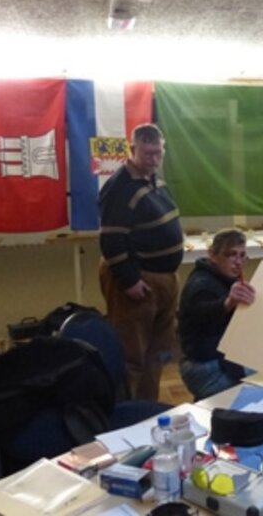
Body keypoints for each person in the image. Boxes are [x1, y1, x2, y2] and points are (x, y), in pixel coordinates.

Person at [98, 123, 184, 400]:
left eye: (159, 153)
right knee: (132, 356)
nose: (154, 159)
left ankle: (147, 409)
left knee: (158, 354)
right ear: (132, 149)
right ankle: (128, 412)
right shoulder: (120, 187)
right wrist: (129, 281)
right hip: (139, 282)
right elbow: (111, 240)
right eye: (148, 153)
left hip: (163, 279)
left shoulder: (153, 179)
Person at [178, 228, 256, 400]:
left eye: (242, 256)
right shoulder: (201, 285)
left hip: (218, 355)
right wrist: (228, 303)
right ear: (213, 254)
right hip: (203, 363)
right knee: (256, 390)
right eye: (231, 255)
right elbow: (202, 314)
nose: (238, 262)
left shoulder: (224, 277)